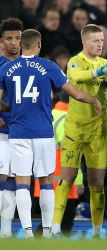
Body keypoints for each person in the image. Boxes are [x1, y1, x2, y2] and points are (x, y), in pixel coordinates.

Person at [0, 29, 103, 239]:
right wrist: (93, 99)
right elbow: (74, 92)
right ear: (39, 45)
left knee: (21, 182)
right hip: (43, 133)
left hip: (18, 133)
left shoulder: (7, 68)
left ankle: (28, 232)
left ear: (21, 45)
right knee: (46, 181)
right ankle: (47, 231)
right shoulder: (48, 67)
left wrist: (14, 108)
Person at [51, 24, 107, 239]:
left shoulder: (105, 64)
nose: (100, 44)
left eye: (101, 40)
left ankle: (97, 233)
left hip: (98, 132)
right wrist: (103, 70)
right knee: (68, 179)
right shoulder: (75, 62)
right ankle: (54, 229)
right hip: (75, 129)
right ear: (84, 42)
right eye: (95, 40)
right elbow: (78, 77)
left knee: (97, 183)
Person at [33, 91, 84, 238]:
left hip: (43, 177)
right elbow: (71, 154)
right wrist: (79, 180)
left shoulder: (46, 117)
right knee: (65, 219)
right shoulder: (68, 120)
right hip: (63, 178)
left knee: (50, 220)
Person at [0, 17, 23, 239]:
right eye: (9, 38)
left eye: (18, 38)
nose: (14, 42)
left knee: (14, 183)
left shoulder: (30, 65)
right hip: (1, 133)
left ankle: (6, 233)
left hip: (20, 133)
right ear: (1, 41)